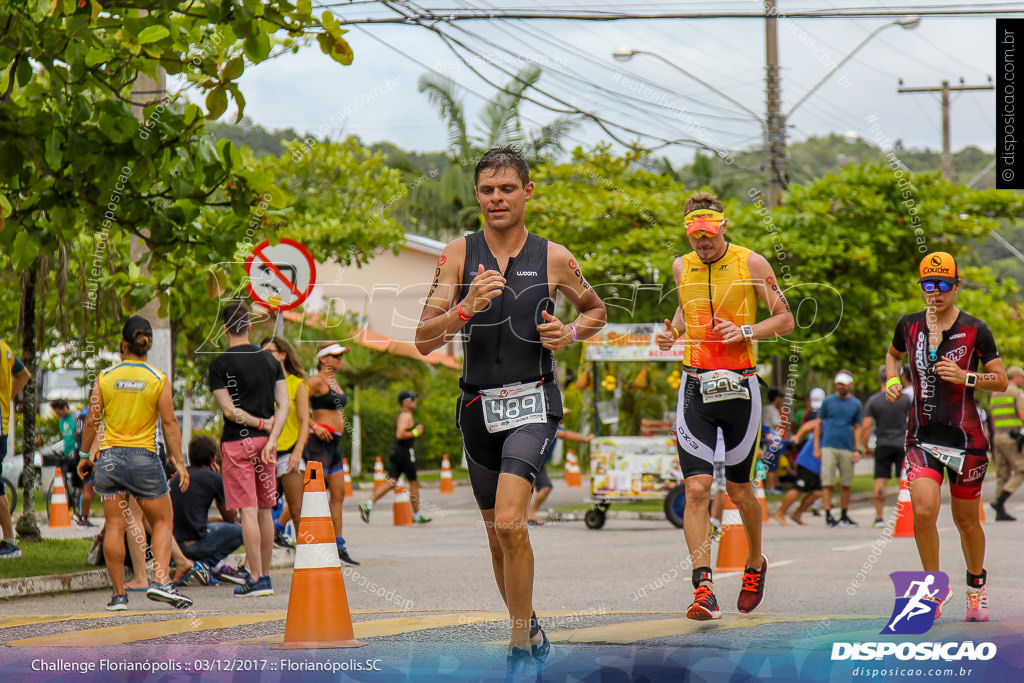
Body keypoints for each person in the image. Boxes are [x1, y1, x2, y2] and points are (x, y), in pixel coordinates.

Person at [414, 146, 607, 675]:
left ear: (527, 191)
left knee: (510, 523)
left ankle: (520, 646)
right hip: (477, 406)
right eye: (486, 190)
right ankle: (531, 624)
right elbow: (424, 340)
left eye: (506, 189)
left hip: (533, 400)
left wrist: (569, 332)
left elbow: (596, 309)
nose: (496, 198)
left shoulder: (554, 257)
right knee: (496, 537)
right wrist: (465, 306)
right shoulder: (457, 254)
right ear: (477, 195)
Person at [655, 191, 793, 622]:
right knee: (696, 489)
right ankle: (704, 587)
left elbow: (785, 319)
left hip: (741, 387)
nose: (702, 244)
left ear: (723, 227)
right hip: (695, 384)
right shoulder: (681, 266)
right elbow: (686, 304)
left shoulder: (751, 263)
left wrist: (746, 329)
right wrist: (673, 333)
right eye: (695, 236)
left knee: (739, 491)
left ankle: (754, 563)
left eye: (708, 235)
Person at [885, 251, 1008, 623]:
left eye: (942, 285)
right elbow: (892, 357)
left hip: (967, 440)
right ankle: (933, 588)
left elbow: (1000, 380)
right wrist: (892, 380)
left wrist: (967, 376)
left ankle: (975, 586)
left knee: (966, 521)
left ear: (957, 285)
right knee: (923, 511)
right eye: (927, 285)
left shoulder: (976, 329)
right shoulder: (907, 325)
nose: (934, 293)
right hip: (921, 436)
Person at [76, 316, 192, 610]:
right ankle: (162, 581)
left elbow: (92, 420)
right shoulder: (157, 379)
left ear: (123, 345)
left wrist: (84, 455)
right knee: (163, 520)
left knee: (114, 525)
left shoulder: (105, 377)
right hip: (144, 460)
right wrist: (177, 461)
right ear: (147, 346)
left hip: (110, 459)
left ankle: (118, 596)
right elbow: (169, 423)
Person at [208, 302, 289, 597]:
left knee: (249, 511)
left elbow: (229, 411)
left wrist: (258, 424)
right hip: (266, 446)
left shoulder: (219, 364)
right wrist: (271, 435)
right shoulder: (271, 361)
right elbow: (285, 404)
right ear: (250, 327)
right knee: (267, 509)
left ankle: (255, 577)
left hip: (237, 444)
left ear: (226, 328)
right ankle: (265, 574)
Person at [306, 342, 358, 566]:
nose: (340, 359)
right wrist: (313, 426)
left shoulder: (333, 381)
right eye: (335, 356)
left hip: (335, 446)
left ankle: (339, 546)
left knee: (338, 496)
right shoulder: (316, 381)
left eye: (341, 356)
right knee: (309, 496)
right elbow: (293, 404)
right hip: (319, 444)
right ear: (323, 359)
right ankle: (279, 528)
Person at [259, 336, 309, 546]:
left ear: (282, 355)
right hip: (264, 452)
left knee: (297, 510)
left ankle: (307, 560)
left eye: (270, 351)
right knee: (262, 510)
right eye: (262, 352)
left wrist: (298, 452)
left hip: (288, 453)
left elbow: (304, 421)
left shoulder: (297, 384)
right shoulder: (259, 385)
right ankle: (259, 566)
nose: (265, 356)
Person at [170, 434, 242, 576]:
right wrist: (220, 482)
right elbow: (231, 516)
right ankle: (208, 563)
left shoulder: (179, 477)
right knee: (244, 531)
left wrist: (218, 520)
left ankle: (194, 564)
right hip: (195, 546)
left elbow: (191, 518)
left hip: (176, 546)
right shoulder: (214, 478)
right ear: (214, 459)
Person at [360, 390, 431, 524]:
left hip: (396, 450)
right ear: (405, 402)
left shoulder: (401, 415)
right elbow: (400, 434)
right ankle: (417, 515)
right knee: (413, 482)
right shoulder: (406, 416)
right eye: (412, 400)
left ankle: (368, 504)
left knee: (391, 482)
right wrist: (415, 432)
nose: (415, 402)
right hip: (404, 451)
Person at [862, 367, 912, 528]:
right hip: (901, 444)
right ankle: (904, 516)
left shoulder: (874, 400)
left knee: (880, 480)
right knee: (902, 481)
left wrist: (865, 446)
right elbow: (912, 420)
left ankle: (879, 518)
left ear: (879, 380)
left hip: (882, 444)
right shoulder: (904, 399)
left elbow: (867, 426)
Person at [814, 371, 863, 528]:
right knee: (827, 481)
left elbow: (857, 427)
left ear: (850, 384)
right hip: (829, 445)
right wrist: (817, 446)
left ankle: (843, 514)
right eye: (838, 383)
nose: (840, 386)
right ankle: (828, 514)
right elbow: (818, 424)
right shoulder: (828, 402)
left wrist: (857, 449)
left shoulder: (856, 404)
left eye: (843, 383)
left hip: (847, 447)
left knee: (846, 482)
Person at [772, 388, 824, 525]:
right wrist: (798, 436)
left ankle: (797, 514)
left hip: (817, 462)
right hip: (808, 459)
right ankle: (780, 513)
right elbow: (809, 425)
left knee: (818, 492)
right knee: (798, 488)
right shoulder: (825, 418)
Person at [528, 421, 593, 526]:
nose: (564, 417)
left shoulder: (555, 427)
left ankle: (529, 514)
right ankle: (527, 515)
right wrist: (585, 439)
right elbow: (565, 435)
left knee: (541, 488)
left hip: (539, 463)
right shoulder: (549, 426)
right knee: (537, 489)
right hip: (533, 462)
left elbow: (566, 433)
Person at [0, 339, 31, 559]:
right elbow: (24, 375)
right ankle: (10, 541)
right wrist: (5, 399)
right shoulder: (4, 348)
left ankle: (10, 541)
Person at [989, 365, 1024, 521]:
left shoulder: (995, 393)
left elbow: (992, 417)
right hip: (1012, 437)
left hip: (998, 436)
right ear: (1016, 377)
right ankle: (1000, 500)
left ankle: (1000, 512)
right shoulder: (1017, 393)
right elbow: (1022, 415)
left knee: (1002, 474)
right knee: (1021, 469)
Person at [761, 389, 784, 494]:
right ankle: (771, 487)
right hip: (773, 440)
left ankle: (771, 486)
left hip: (766, 439)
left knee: (769, 463)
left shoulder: (765, 408)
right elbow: (776, 424)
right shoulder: (773, 410)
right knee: (772, 465)